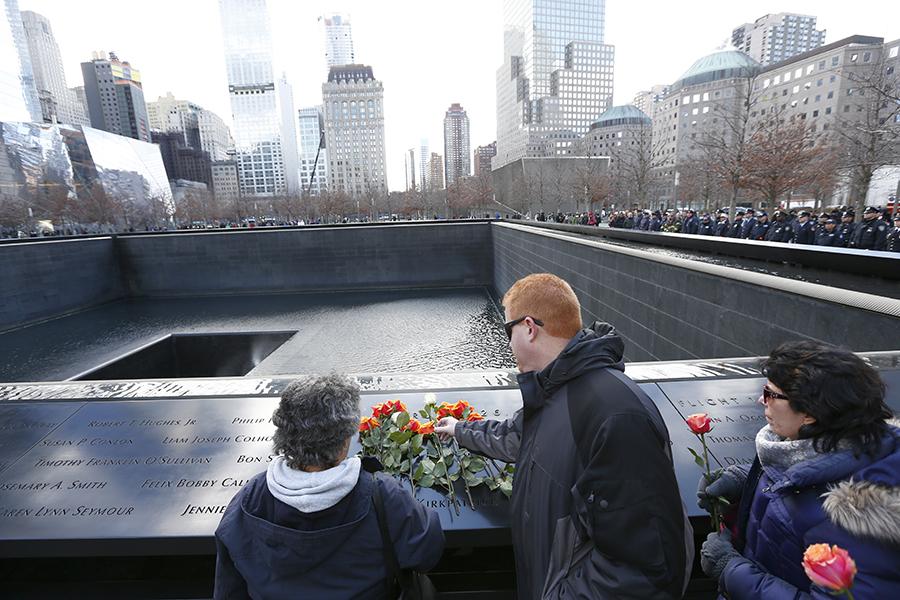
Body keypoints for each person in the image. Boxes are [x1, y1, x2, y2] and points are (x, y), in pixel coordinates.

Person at [435, 274, 692, 600]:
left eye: (507, 331)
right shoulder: (556, 391)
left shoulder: (615, 414)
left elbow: (644, 569)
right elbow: (516, 436)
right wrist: (459, 430)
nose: (508, 344)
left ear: (529, 328)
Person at [697, 341, 900, 599]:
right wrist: (741, 480)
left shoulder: (854, 518)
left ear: (809, 414)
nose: (762, 400)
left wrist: (732, 571)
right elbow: (805, 479)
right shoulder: (805, 444)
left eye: (771, 394)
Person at [214, 374, 444, 599]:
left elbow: (229, 584)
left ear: (284, 434)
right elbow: (427, 552)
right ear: (344, 441)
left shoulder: (251, 497)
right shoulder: (381, 494)